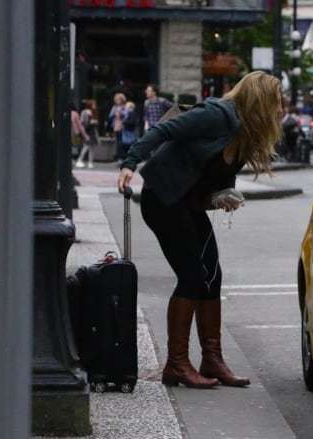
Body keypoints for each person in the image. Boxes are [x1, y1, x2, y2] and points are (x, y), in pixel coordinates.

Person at [117, 71, 282, 389]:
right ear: (259, 101)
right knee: (192, 276)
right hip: (163, 197)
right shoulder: (216, 115)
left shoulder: (246, 132)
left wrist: (224, 195)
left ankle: (212, 359)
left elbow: (216, 175)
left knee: (212, 276)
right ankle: (177, 364)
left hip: (188, 203)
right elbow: (164, 130)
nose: (280, 109)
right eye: (276, 101)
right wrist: (129, 163)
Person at [76, 99, 99, 169]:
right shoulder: (85, 112)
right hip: (87, 131)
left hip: (92, 131)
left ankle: (90, 162)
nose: (95, 106)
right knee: (86, 146)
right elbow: (82, 122)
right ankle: (79, 160)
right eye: (94, 104)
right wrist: (90, 123)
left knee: (92, 147)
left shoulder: (93, 112)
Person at [109, 93, 128, 161]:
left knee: (123, 141)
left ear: (122, 100)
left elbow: (127, 116)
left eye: (119, 99)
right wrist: (115, 114)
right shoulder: (114, 107)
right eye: (116, 99)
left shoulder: (125, 107)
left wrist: (121, 113)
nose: (117, 101)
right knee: (118, 141)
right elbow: (110, 116)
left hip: (123, 126)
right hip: (116, 126)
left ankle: (123, 156)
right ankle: (119, 156)